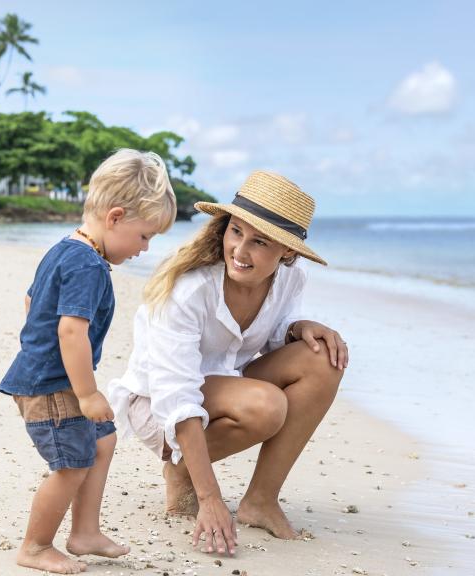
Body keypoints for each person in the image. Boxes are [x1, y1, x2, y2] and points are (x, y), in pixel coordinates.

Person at [107, 171, 348, 556]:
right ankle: (182, 468)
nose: (240, 250)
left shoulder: (290, 279)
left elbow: (269, 338)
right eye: (236, 232)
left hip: (224, 386)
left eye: (259, 242)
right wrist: (210, 498)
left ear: (287, 252)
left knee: (323, 359)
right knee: (266, 405)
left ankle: (260, 501)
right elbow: (177, 393)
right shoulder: (190, 289)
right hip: (160, 407)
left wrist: (299, 327)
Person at [0, 149, 178, 574]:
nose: (145, 249)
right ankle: (36, 546)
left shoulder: (65, 248)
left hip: (45, 375)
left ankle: (85, 533)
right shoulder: (89, 266)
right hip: (53, 386)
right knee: (72, 464)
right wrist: (86, 391)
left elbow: (31, 300)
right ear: (115, 217)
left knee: (103, 439)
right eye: (144, 236)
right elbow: (71, 331)